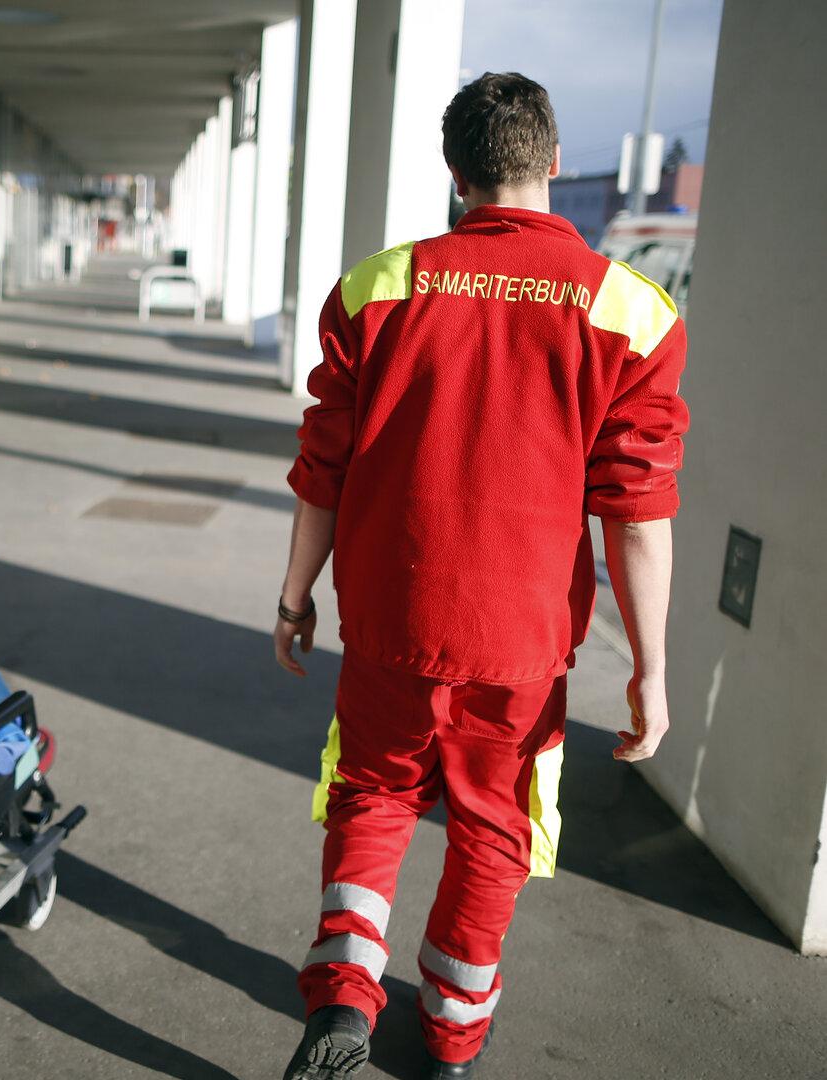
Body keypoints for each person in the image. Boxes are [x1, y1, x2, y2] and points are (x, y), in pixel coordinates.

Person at [274, 73, 687, 1080]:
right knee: (495, 828)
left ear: (454, 175)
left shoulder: (376, 286)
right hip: (520, 640)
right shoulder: (633, 313)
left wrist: (295, 595)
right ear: (548, 164)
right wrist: (647, 668)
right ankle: (453, 1034)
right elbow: (636, 513)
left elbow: (320, 465)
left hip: (388, 616)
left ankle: (342, 995)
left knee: (369, 794)